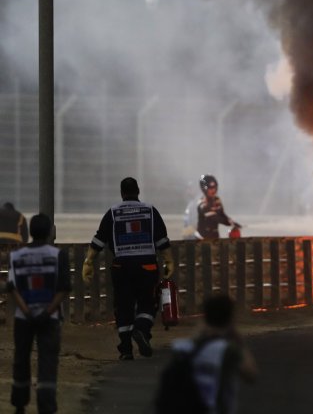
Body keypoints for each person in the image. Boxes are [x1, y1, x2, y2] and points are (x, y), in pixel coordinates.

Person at [83, 177, 174, 360]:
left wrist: (88, 262)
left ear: (122, 193)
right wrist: (169, 262)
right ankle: (141, 330)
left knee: (123, 306)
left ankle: (125, 350)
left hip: (121, 267)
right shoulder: (150, 210)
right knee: (148, 303)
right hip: (147, 266)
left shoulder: (113, 212)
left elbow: (99, 240)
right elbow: (162, 240)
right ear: (138, 191)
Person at [8, 213, 70, 414]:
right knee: (48, 361)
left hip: (23, 319)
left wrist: (26, 311)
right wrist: (47, 312)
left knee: (21, 359)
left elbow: (12, 288)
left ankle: (19, 404)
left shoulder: (16, 256)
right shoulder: (57, 255)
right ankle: (46, 407)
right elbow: (63, 289)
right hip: (49, 319)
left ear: (31, 232)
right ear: (50, 232)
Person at [158, 294, 257, 414]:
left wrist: (198, 332)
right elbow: (250, 374)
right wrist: (237, 338)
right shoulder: (227, 350)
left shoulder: (182, 348)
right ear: (230, 318)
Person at [195, 175, 241, 240]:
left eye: (215, 187)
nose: (213, 190)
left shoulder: (217, 200)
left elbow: (222, 214)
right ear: (204, 189)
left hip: (215, 238)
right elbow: (215, 218)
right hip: (202, 240)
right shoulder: (202, 203)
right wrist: (230, 223)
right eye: (210, 188)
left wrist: (232, 222)